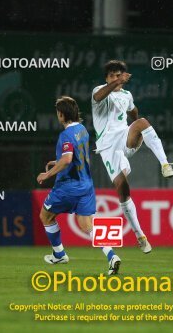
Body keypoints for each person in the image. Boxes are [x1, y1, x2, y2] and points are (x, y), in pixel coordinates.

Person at [91, 60, 173, 254]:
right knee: (123, 189)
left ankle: (164, 164)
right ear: (106, 78)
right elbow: (98, 96)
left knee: (142, 122)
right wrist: (117, 82)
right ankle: (141, 236)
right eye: (112, 75)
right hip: (107, 147)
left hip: (124, 139)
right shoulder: (100, 91)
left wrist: (134, 120)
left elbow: (133, 111)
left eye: (119, 75)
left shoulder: (127, 95)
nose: (116, 78)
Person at [37, 96, 121, 275]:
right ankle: (112, 256)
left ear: (61, 115)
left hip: (68, 187)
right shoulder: (82, 130)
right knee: (87, 224)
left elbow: (67, 159)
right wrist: (57, 161)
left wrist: (48, 174)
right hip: (86, 185)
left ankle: (59, 254)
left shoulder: (66, 134)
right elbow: (75, 156)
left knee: (46, 215)